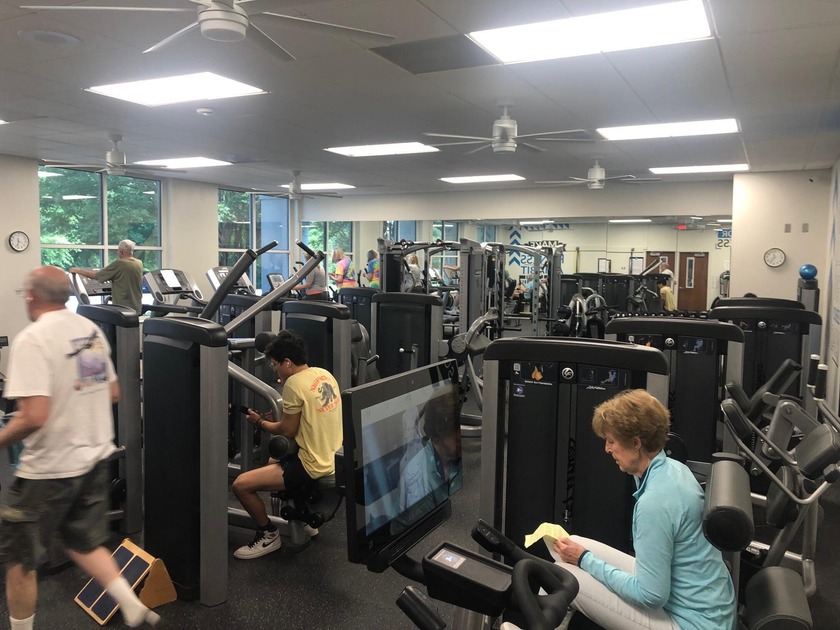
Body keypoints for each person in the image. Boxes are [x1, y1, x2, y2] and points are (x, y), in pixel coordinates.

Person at [0, 266, 160, 629]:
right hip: (92, 460)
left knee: (20, 562)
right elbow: (113, 392)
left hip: (49, 470)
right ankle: (129, 603)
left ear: (31, 296)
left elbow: (33, 416)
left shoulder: (33, 338)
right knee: (81, 540)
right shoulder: (88, 331)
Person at [552, 389, 736, 630]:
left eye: (611, 441)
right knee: (568, 544)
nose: (607, 449)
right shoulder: (675, 469)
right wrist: (583, 558)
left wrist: (585, 560)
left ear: (636, 443)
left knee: (562, 574)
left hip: (691, 624)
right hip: (701, 606)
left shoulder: (655, 502)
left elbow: (651, 596)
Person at [231, 330, 342, 560]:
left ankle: (268, 534)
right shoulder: (324, 374)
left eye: (275, 365)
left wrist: (259, 422)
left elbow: (287, 431)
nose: (275, 370)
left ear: (288, 362)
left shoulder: (293, 383)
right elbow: (310, 419)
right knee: (274, 459)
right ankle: (303, 518)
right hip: (334, 458)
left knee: (241, 485)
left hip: (312, 466)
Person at [70, 239, 143, 315]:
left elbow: (96, 276)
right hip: (136, 307)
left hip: (122, 308)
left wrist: (77, 271)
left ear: (121, 251)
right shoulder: (139, 263)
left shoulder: (120, 263)